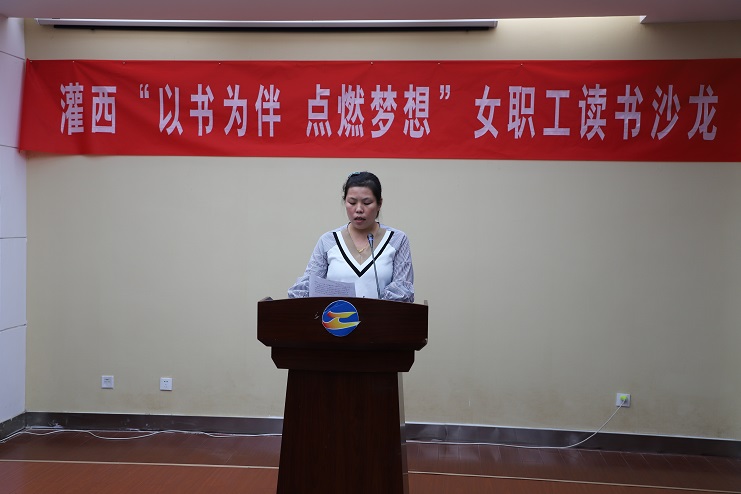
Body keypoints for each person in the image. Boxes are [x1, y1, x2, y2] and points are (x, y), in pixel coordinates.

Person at [288, 171, 414, 302]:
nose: (359, 209)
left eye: (367, 203)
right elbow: (309, 288)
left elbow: (402, 291)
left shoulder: (397, 239)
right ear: (345, 202)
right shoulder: (328, 241)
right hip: (336, 315)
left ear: (379, 204)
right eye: (352, 202)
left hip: (381, 315)